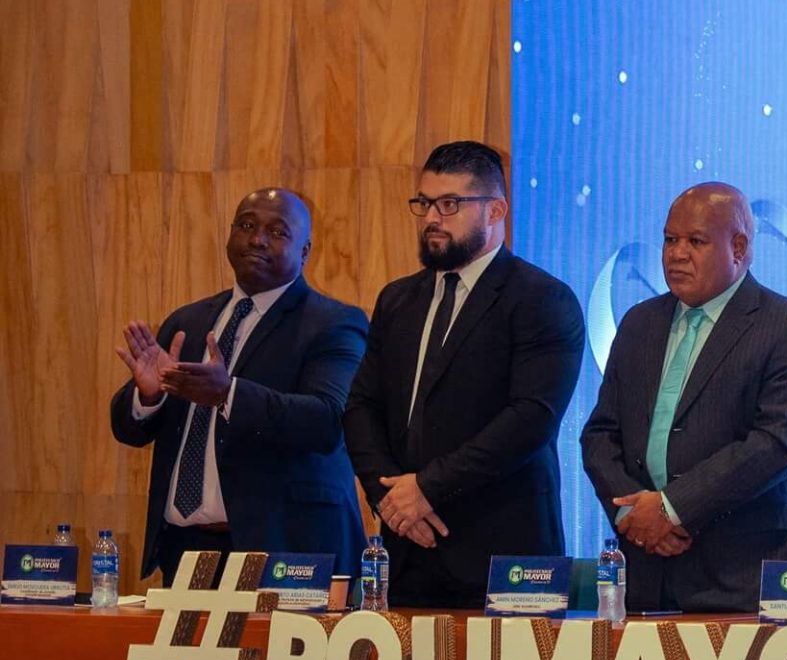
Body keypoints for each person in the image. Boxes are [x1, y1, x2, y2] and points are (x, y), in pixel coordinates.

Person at [343, 141, 585, 610]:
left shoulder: (541, 298)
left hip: (507, 556)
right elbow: (361, 407)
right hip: (409, 546)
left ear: (495, 210)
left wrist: (426, 488)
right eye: (424, 203)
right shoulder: (397, 299)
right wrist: (391, 500)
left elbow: (530, 419)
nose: (432, 218)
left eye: (450, 204)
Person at [581, 184, 787, 615]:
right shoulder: (640, 322)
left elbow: (776, 444)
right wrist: (633, 516)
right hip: (646, 571)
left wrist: (671, 509)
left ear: (739, 248)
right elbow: (600, 435)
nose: (676, 254)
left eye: (695, 241)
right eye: (670, 239)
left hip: (742, 579)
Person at [109, 188, 368, 581]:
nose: (257, 239)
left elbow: (326, 422)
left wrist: (228, 394)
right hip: (187, 551)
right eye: (246, 226)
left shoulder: (334, 323)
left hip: (285, 552)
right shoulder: (188, 322)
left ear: (305, 251)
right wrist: (149, 396)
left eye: (277, 232)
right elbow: (129, 431)